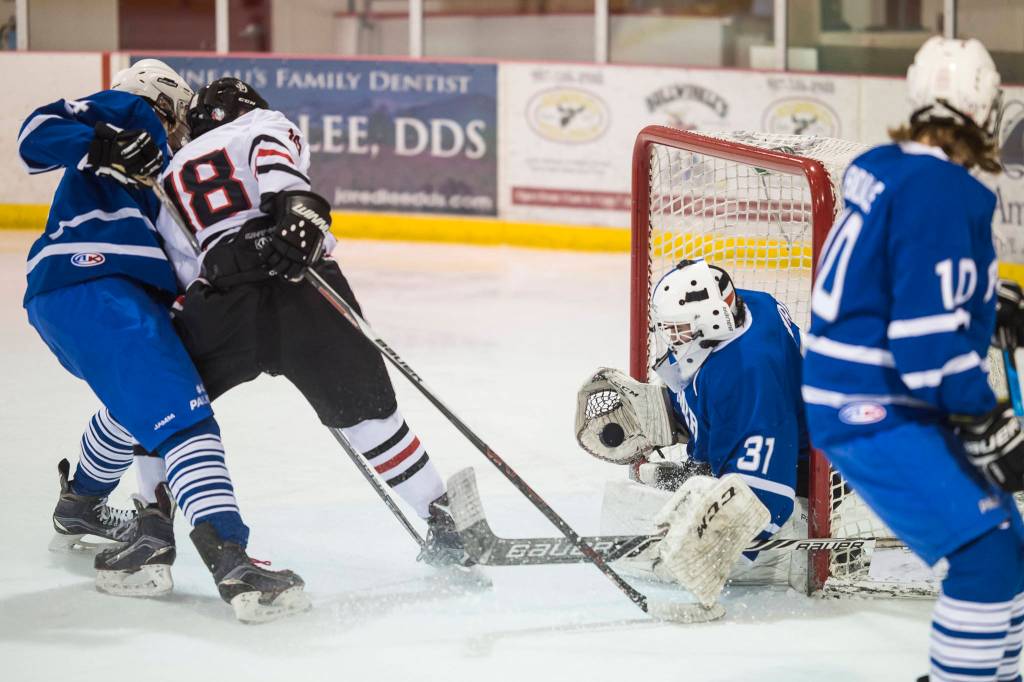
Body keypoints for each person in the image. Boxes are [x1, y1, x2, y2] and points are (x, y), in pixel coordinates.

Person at [19, 60, 309, 623]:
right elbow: (35, 135)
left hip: (109, 294)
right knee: (185, 412)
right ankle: (230, 556)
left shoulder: (176, 169)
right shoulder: (131, 111)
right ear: (166, 102)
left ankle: (80, 501)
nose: (183, 129)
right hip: (95, 280)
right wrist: (103, 143)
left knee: (141, 406)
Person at [148, 78, 474, 575]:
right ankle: (445, 524)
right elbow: (282, 179)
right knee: (370, 416)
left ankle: (150, 524)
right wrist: (294, 210)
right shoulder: (264, 123)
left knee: (162, 407)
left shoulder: (172, 170)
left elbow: (185, 268)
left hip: (222, 300)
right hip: (301, 285)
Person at [801, 36, 1024, 682]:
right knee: (984, 553)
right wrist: (986, 423)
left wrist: (987, 302)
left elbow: (896, 284)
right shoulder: (942, 190)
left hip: (857, 389)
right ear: (985, 113)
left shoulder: (887, 164)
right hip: (876, 405)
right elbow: (926, 349)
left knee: (1005, 539)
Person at [575, 259, 808, 603]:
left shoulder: (750, 376)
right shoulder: (749, 305)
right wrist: (671, 414)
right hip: (769, 424)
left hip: (801, 479)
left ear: (713, 319)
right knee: (643, 485)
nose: (671, 338)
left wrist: (711, 552)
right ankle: (704, 466)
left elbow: (769, 499)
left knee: (642, 526)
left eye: (679, 329)